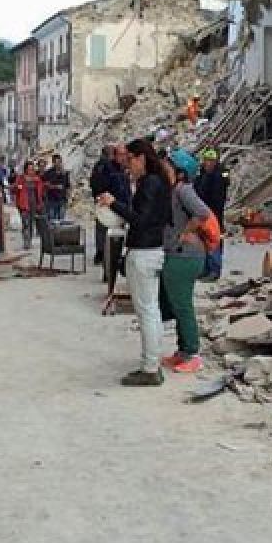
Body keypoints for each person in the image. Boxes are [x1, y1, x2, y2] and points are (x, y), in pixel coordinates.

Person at [97, 139, 171, 387]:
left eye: (129, 159)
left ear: (141, 158)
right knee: (151, 310)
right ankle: (152, 362)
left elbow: (140, 219)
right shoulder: (156, 182)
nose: (127, 165)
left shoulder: (150, 183)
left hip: (144, 251)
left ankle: (150, 367)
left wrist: (113, 204)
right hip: (151, 250)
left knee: (147, 311)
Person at [161, 150, 211, 374]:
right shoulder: (174, 191)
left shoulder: (183, 190)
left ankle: (193, 354)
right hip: (178, 254)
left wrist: (186, 232)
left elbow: (202, 212)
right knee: (176, 304)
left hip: (185, 256)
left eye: (168, 166)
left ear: (180, 173)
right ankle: (182, 351)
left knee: (183, 306)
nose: (164, 169)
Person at [195, 148, 228, 280]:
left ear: (215, 161)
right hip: (204, 213)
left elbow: (217, 197)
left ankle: (214, 270)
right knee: (204, 241)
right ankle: (206, 268)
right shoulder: (203, 174)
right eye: (206, 160)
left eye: (210, 161)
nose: (207, 163)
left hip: (214, 214)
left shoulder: (218, 176)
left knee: (214, 240)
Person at [12, 162, 45, 249]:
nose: (31, 171)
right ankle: (26, 241)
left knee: (31, 222)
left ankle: (29, 240)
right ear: (26, 169)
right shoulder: (21, 178)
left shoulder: (37, 179)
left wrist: (40, 203)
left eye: (32, 169)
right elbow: (15, 188)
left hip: (33, 204)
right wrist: (17, 187)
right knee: (25, 223)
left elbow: (40, 191)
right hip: (23, 204)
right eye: (29, 169)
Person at [44, 154, 70, 222]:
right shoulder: (48, 173)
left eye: (59, 162)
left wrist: (67, 197)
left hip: (62, 199)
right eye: (56, 162)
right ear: (53, 162)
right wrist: (55, 186)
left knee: (61, 220)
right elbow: (46, 185)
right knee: (52, 220)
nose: (58, 164)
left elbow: (67, 186)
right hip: (52, 199)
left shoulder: (65, 173)